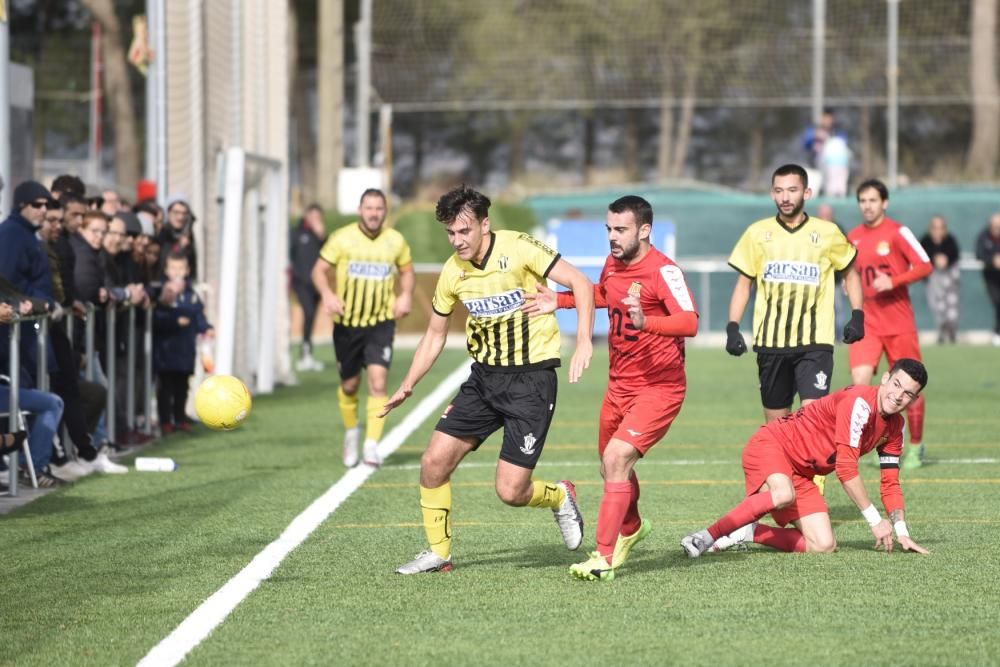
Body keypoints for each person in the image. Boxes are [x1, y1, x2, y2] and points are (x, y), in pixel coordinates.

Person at [380, 185, 594, 575]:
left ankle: (560, 496)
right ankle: (439, 553)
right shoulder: (452, 272)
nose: (457, 240)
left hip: (531, 380)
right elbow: (435, 335)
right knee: (432, 464)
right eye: (450, 233)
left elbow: (581, 284)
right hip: (483, 381)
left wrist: (582, 343)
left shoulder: (520, 248)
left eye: (464, 231)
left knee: (510, 492)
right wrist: (408, 384)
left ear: (484, 224)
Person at [522, 195, 699, 581]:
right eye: (609, 229)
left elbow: (689, 322)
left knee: (617, 459)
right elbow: (605, 294)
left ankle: (603, 556)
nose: (612, 238)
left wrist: (647, 323)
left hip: (660, 387)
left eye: (621, 230)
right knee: (609, 466)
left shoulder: (664, 272)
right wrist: (561, 300)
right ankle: (633, 527)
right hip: (618, 386)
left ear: (644, 230)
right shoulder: (613, 264)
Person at [681, 358, 931, 558]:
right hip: (772, 444)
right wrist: (876, 521)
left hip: (802, 473)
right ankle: (705, 536)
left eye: (908, 394)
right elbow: (845, 469)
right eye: (897, 385)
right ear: (886, 378)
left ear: (914, 399)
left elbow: (890, 483)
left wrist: (901, 531)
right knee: (783, 494)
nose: (899, 396)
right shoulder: (859, 403)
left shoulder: (896, 427)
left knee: (824, 545)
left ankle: (748, 532)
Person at [725, 164, 865, 494]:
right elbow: (743, 285)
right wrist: (732, 326)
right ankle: (783, 489)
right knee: (777, 426)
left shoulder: (828, 232)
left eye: (791, 190)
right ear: (772, 193)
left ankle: (811, 487)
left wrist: (858, 314)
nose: (785, 197)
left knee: (814, 416)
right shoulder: (757, 233)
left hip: (814, 342)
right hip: (770, 343)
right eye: (779, 190)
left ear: (807, 193)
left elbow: (851, 273)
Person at [311, 189, 415, 467]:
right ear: (360, 210)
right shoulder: (342, 238)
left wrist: (405, 295)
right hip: (347, 324)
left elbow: (406, 270)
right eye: (369, 208)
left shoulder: (395, 240)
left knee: (378, 383)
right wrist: (327, 294)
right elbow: (318, 270)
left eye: (379, 208)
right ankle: (351, 433)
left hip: (380, 323)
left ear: (385, 211)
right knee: (349, 385)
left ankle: (371, 445)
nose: (373, 213)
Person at [847, 179, 932, 469]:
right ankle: (870, 443)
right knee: (860, 386)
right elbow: (849, 272)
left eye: (872, 200)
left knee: (908, 387)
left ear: (884, 202)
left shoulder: (898, 232)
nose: (867, 206)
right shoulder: (853, 237)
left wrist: (894, 280)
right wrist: (849, 284)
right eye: (862, 201)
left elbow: (925, 265)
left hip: (898, 324)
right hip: (867, 324)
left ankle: (916, 447)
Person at [153, 253, 213, 434]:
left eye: (181, 268)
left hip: (185, 349)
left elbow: (199, 316)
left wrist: (206, 328)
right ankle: (165, 421)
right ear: (166, 270)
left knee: (183, 386)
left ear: (187, 271)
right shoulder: (163, 293)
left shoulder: (192, 295)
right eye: (173, 268)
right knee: (165, 387)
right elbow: (157, 318)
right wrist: (174, 322)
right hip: (165, 350)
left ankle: (180, 417)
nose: (177, 272)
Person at [290, 204, 327, 372]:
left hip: (316, 285)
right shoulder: (297, 233)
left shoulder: (319, 237)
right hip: (301, 283)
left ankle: (307, 353)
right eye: (312, 216)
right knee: (308, 313)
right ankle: (305, 353)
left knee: (311, 317)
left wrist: (321, 236)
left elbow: (327, 255)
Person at [920, 215, 961, 344]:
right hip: (933, 279)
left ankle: (952, 330)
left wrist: (946, 259)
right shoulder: (925, 241)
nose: (937, 231)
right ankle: (942, 331)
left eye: (940, 228)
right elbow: (921, 256)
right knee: (938, 306)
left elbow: (955, 255)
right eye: (934, 228)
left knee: (951, 307)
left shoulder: (950, 240)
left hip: (949, 278)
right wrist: (934, 259)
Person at [975, 213, 1000, 346]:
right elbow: (979, 254)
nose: (996, 229)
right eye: (994, 226)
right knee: (997, 302)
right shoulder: (983, 236)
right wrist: (992, 260)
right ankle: (997, 332)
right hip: (991, 277)